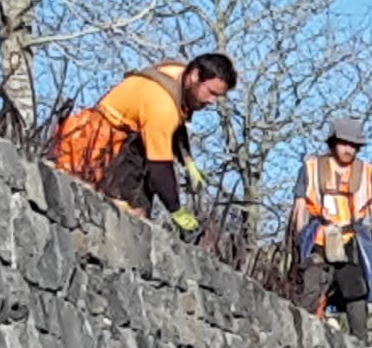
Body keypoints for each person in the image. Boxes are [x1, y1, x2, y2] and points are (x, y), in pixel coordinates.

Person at [52, 53, 236, 234]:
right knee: (133, 215)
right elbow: (160, 167)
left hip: (122, 138)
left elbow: (177, 121)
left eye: (218, 96)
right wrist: (176, 210)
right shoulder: (161, 106)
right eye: (211, 92)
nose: (213, 101)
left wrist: (187, 160)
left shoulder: (176, 74)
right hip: (103, 148)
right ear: (195, 75)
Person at [289, 114, 372, 331]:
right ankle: (305, 337)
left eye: (354, 145)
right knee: (310, 290)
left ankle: (362, 346)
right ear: (333, 142)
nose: (349, 149)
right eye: (345, 143)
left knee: (356, 292)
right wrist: (297, 246)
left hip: (350, 241)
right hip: (318, 239)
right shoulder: (311, 168)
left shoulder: (367, 172)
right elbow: (299, 209)